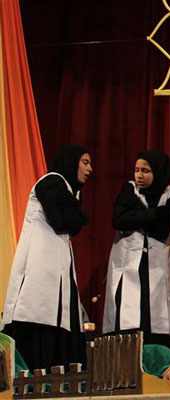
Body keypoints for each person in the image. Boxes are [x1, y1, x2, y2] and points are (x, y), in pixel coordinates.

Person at [2, 144, 92, 371]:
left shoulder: (70, 191)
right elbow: (62, 221)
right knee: (39, 314)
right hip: (40, 264)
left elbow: (73, 224)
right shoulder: (50, 182)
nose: (89, 169)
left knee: (61, 318)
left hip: (58, 266)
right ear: (71, 162)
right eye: (85, 162)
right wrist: (76, 214)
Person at [103, 151, 170, 351]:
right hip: (128, 260)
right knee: (127, 312)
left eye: (145, 171)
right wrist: (153, 214)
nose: (139, 175)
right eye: (137, 170)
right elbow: (119, 220)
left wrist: (137, 216)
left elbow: (162, 228)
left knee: (155, 313)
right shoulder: (129, 189)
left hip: (155, 264)